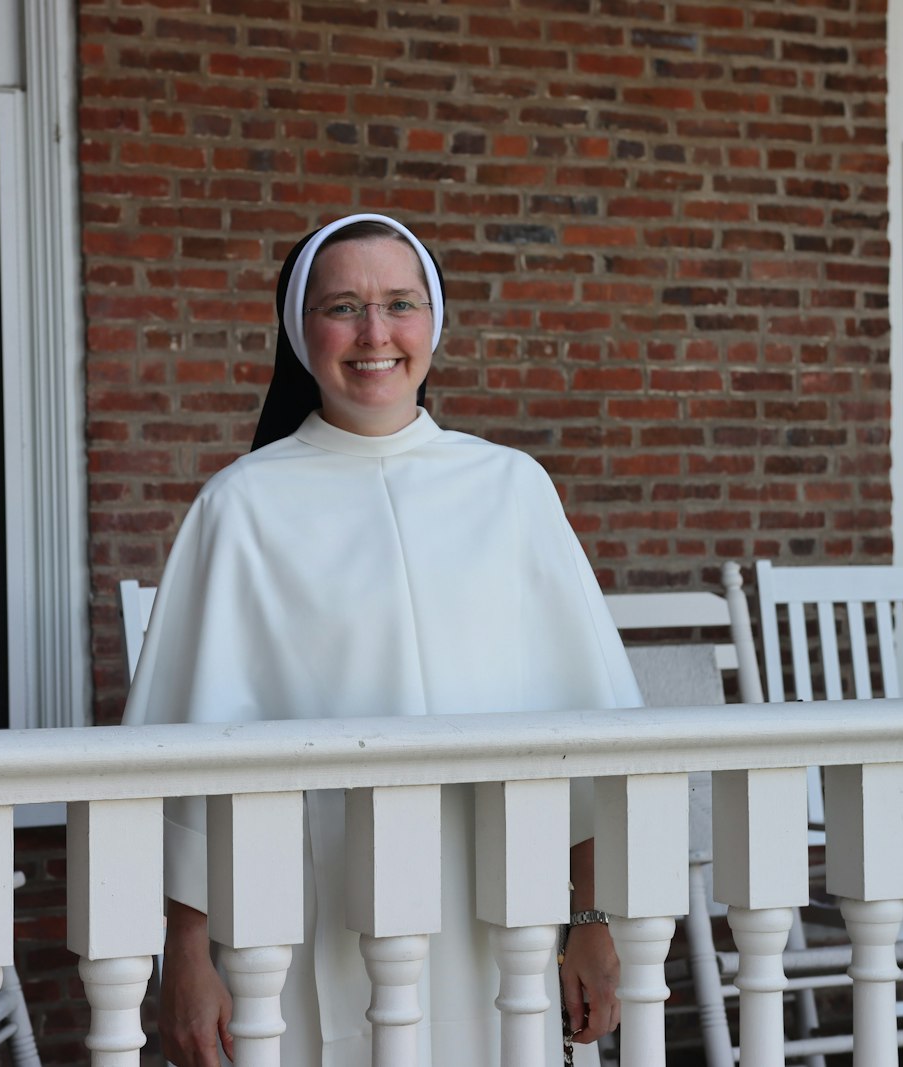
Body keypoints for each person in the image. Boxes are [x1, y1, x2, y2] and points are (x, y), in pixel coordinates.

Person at [123, 213, 643, 1066]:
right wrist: (184, 953)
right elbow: (184, 758)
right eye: (344, 307)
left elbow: (584, 735)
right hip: (300, 918)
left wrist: (589, 921)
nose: (375, 334)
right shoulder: (240, 506)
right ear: (301, 332)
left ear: (433, 322)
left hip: (493, 913)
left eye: (400, 302)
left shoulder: (511, 489)